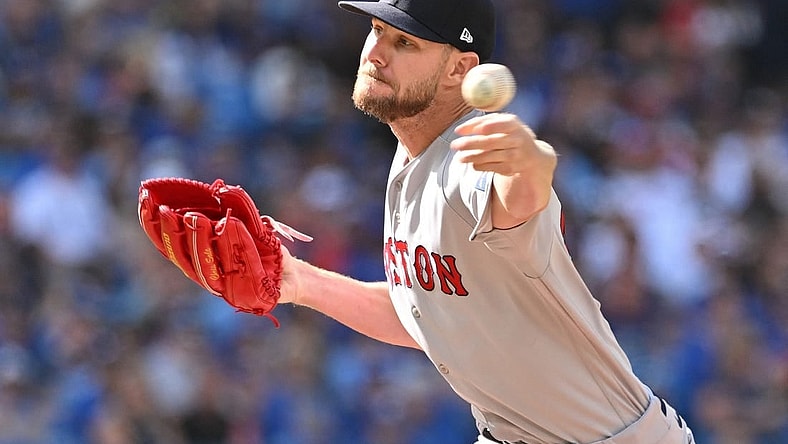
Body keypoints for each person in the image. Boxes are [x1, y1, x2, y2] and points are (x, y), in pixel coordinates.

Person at [277, 0, 696, 442]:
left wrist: (532, 165)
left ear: (460, 69)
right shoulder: (413, 150)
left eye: (404, 42)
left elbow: (517, 196)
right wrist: (300, 281)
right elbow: (424, 315)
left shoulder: (470, 157)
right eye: (378, 30)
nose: (376, 52)